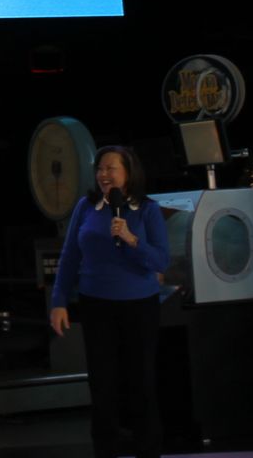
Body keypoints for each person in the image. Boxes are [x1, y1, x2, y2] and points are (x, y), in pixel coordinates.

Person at [49, 145, 170, 458]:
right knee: (102, 385)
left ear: (128, 172)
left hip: (139, 306)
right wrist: (59, 300)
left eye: (110, 168)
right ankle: (105, 451)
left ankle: (148, 450)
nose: (103, 175)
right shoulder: (86, 207)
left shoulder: (147, 209)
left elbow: (161, 261)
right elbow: (70, 256)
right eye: (100, 169)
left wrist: (132, 240)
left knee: (140, 383)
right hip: (96, 305)